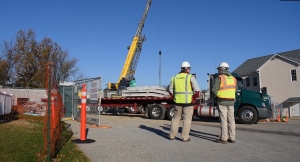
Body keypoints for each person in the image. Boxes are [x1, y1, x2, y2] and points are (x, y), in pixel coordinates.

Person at [168, 61, 200, 142]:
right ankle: (185, 137)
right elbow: (197, 90)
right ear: (188, 69)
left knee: (175, 118)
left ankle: (172, 135)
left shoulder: (174, 77)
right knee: (187, 120)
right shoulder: (190, 77)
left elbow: (170, 89)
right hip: (188, 102)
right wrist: (194, 98)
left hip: (177, 102)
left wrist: (174, 97)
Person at [212, 62, 238, 144]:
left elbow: (214, 90)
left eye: (219, 69)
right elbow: (235, 90)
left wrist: (216, 97)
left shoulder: (219, 78)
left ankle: (224, 138)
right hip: (231, 101)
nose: (218, 71)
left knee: (223, 120)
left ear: (222, 69)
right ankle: (232, 137)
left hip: (222, 101)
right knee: (231, 120)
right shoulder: (233, 78)